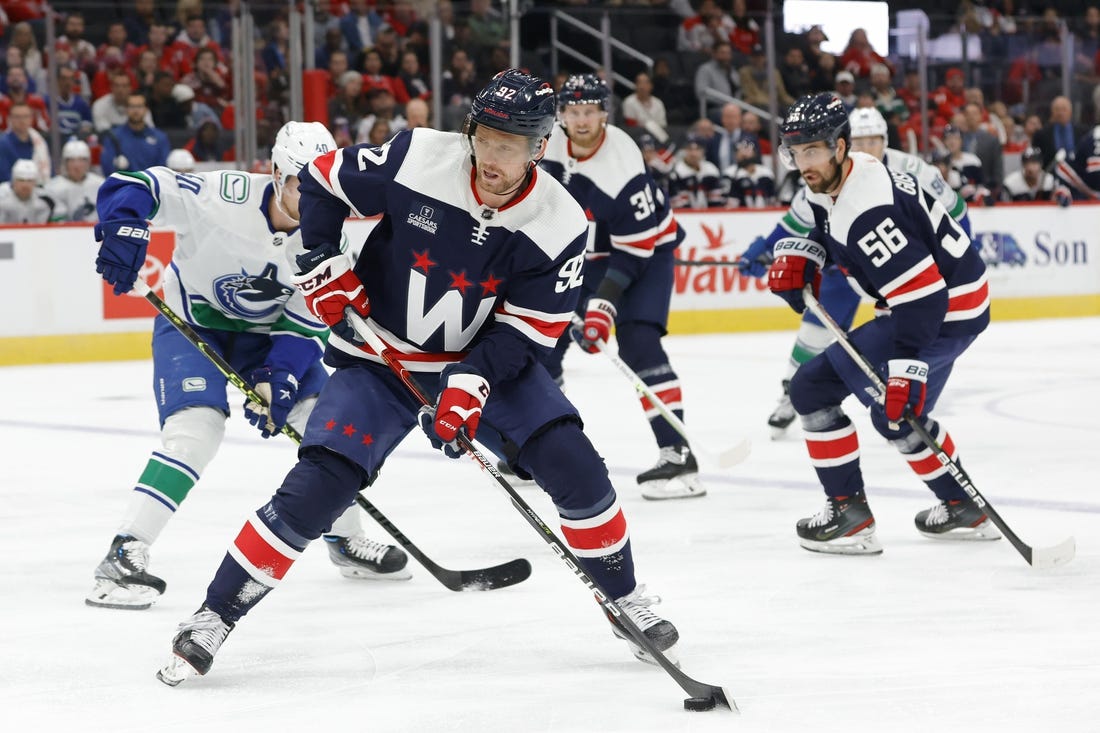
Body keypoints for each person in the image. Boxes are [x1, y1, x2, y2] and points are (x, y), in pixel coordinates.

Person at [154, 69, 681, 685]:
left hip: (482, 360)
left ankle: (623, 598)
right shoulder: (417, 156)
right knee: (320, 482)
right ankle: (214, 615)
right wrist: (320, 260)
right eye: (484, 137)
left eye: (510, 145)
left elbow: (531, 331)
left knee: (575, 465)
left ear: (541, 146)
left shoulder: (560, 220)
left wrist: (470, 381)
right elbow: (322, 185)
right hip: (381, 355)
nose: (491, 156)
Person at [86, 121, 410, 612]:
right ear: (277, 173)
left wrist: (278, 378)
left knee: (326, 424)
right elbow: (134, 185)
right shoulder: (224, 194)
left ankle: (345, 540)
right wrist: (125, 225)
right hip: (194, 327)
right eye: (306, 184)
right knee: (197, 430)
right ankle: (124, 551)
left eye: (327, 187)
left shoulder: (329, 243)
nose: (318, 198)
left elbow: (304, 325)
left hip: (264, 339)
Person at [766, 92, 996, 554]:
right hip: (943, 301)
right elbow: (821, 222)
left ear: (840, 146)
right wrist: (804, 251)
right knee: (891, 417)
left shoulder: (868, 211)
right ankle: (962, 506)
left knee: (814, 390)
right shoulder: (844, 175)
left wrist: (907, 366)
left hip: (942, 310)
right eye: (795, 151)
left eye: (813, 150)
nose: (803, 162)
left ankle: (850, 516)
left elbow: (923, 297)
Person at [738, 106, 972, 438]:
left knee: (920, 333)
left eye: (873, 140)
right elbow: (795, 224)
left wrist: (952, 263)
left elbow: (958, 215)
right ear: (843, 143)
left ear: (885, 141)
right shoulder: (825, 173)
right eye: (859, 139)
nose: (866, 147)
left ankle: (915, 399)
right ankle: (790, 395)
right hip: (853, 265)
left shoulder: (913, 168)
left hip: (903, 266)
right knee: (815, 331)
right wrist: (764, 247)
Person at [540, 73, 703, 500]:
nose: (581, 120)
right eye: (573, 112)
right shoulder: (546, 143)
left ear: (605, 114)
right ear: (561, 114)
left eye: (590, 112)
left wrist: (602, 306)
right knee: (541, 342)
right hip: (583, 253)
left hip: (643, 255)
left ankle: (677, 453)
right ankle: (533, 445)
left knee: (639, 344)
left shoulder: (623, 162)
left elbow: (634, 252)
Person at [100, 93, 171, 175]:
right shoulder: (113, 136)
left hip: (151, 185)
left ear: (146, 109)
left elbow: (163, 170)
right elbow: (108, 168)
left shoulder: (160, 138)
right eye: (132, 106)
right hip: (124, 186)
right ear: (126, 109)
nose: (135, 111)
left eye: (139, 106)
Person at [44, 139, 104, 222]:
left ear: (88, 162)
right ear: (65, 163)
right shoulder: (51, 189)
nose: (77, 165)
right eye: (72, 160)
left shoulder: (101, 184)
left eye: (82, 160)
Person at [0, 159, 63, 223]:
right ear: (13, 181)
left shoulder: (47, 199)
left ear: (35, 182)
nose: (25, 185)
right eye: (21, 180)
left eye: (29, 181)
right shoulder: (2, 197)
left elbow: (59, 219)